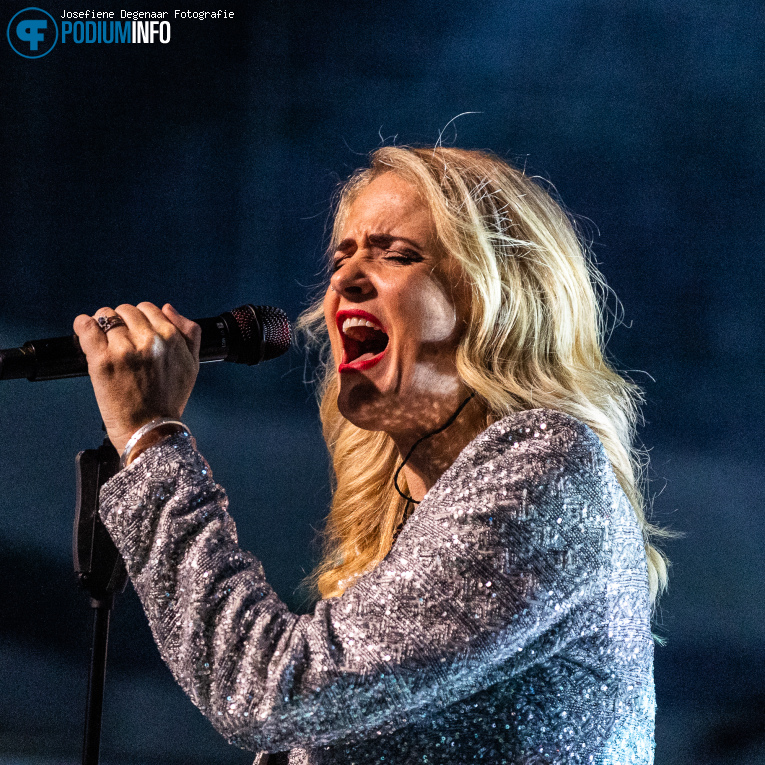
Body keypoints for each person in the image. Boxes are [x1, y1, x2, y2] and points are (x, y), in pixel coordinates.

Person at [74, 146, 667, 764]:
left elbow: (273, 691)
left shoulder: (549, 466)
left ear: (497, 299)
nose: (345, 279)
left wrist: (150, 439)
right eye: (342, 255)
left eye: (397, 254)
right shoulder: (410, 513)